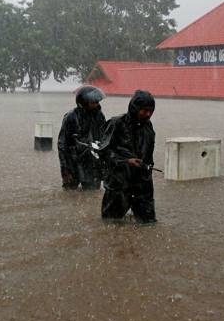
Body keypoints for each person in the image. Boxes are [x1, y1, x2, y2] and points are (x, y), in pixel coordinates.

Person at [99, 90, 157, 223]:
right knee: (111, 223)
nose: (148, 114)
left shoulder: (148, 126)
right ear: (135, 108)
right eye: (144, 110)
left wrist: (148, 169)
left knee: (148, 223)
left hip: (142, 183)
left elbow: (149, 153)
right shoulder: (116, 123)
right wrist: (125, 161)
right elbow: (104, 152)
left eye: (151, 111)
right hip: (119, 183)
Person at [57, 86, 107, 190]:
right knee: (70, 192)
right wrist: (65, 168)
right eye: (93, 102)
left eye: (97, 102)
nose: (97, 104)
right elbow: (62, 144)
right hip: (73, 161)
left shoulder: (99, 115)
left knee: (92, 192)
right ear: (83, 102)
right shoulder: (71, 117)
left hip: (92, 162)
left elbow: (104, 138)